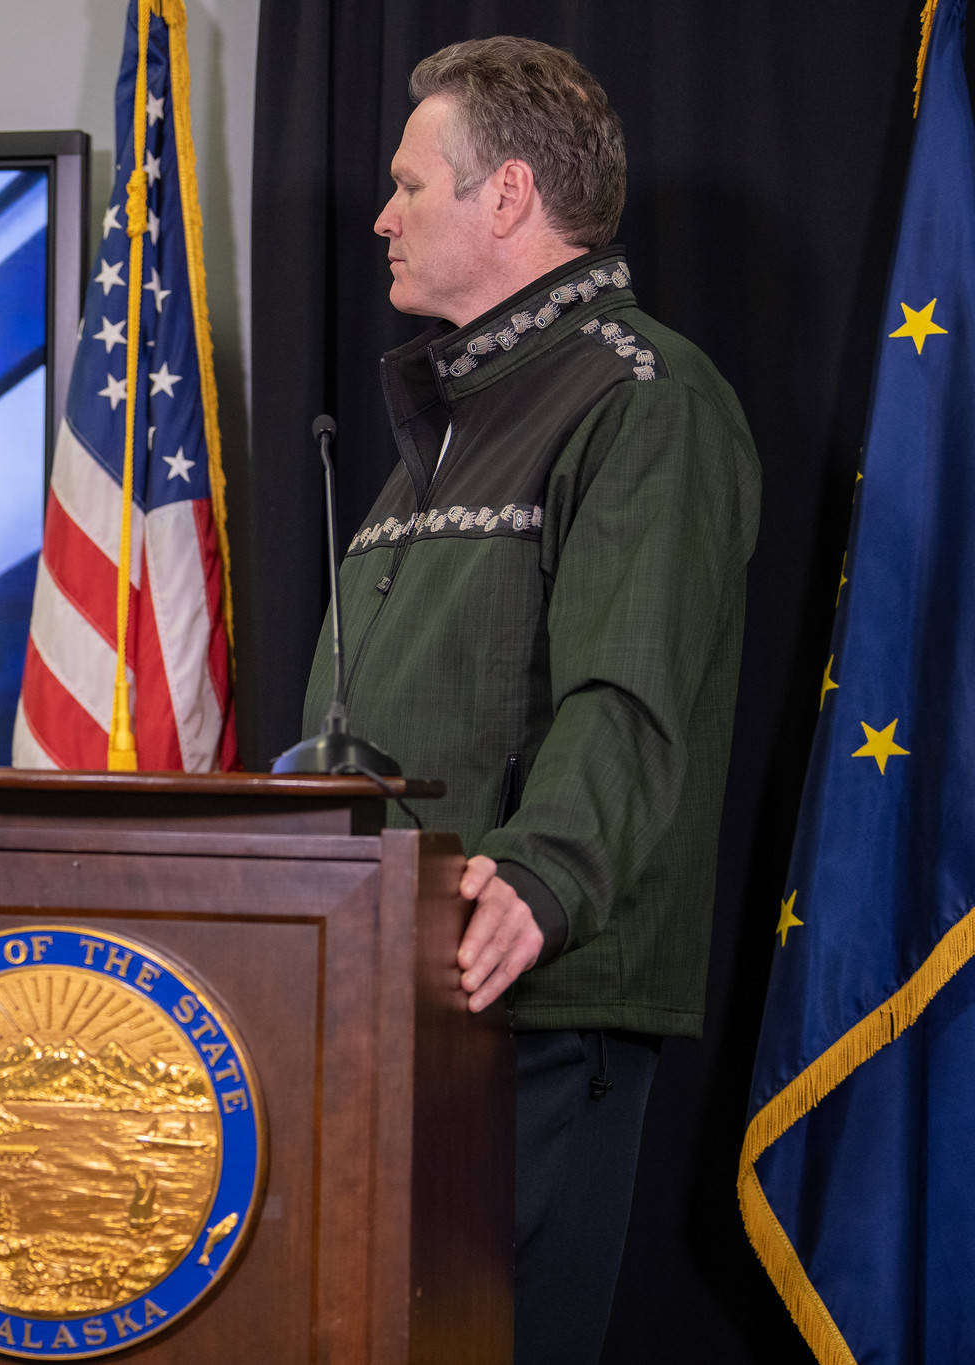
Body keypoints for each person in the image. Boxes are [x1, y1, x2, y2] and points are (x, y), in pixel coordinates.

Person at [301, 38, 759, 1363]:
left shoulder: (641, 400)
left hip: (529, 1012)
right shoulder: (436, 434)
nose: (382, 217)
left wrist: (547, 874)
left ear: (506, 197)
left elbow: (632, 685)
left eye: (410, 186)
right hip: (377, 994)